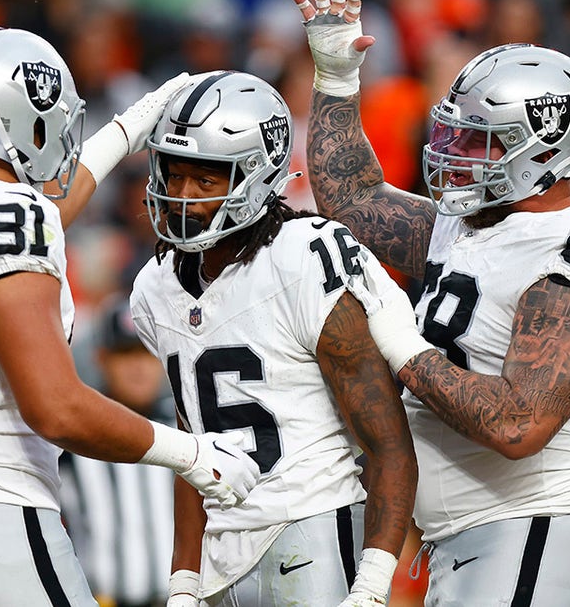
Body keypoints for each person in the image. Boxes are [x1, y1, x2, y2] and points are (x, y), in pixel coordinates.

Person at [0, 26, 260, 607]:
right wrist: (191, 455)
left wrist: (126, 130)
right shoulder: (8, 217)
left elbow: (5, 224)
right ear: (19, 119)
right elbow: (57, 408)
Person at [293, 0, 570, 606]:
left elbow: (519, 423)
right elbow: (348, 196)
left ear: (551, 152)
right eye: (454, 132)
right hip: (480, 542)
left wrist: (400, 345)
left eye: (482, 141)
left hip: (532, 533)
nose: (455, 151)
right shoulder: (466, 229)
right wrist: (336, 76)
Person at [128, 70, 417, 607]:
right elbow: (194, 443)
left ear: (255, 178)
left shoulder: (303, 258)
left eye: (206, 180)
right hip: (219, 550)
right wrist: (183, 581)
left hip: (311, 532)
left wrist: (375, 584)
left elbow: (388, 442)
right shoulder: (155, 286)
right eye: (173, 175)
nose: (181, 196)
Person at [59, 296, 177, 607]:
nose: (138, 367)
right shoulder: (76, 440)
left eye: (146, 354)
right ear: (102, 358)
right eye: (125, 354)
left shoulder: (188, 431)